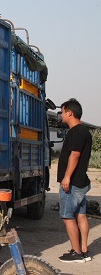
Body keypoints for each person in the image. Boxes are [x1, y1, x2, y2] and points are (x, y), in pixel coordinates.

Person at [57, 98, 92, 263]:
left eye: (62, 112)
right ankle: (84, 250)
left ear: (69, 112)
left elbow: (75, 154)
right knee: (81, 215)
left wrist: (66, 177)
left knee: (67, 216)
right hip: (81, 182)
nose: (61, 115)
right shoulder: (85, 131)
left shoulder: (76, 132)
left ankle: (76, 253)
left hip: (72, 183)